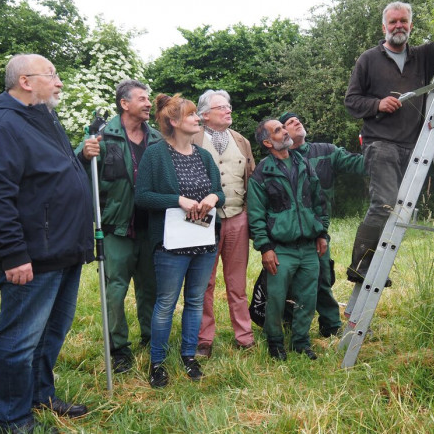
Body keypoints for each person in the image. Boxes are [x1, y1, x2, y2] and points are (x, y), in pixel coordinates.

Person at [0, 54, 93, 433]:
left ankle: (40, 394)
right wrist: (12, 254)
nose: (59, 82)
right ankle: (14, 420)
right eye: (52, 75)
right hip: (32, 257)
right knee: (20, 341)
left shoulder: (42, 118)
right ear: (25, 81)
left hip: (63, 250)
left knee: (50, 334)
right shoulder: (1, 127)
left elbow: (52, 179)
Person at [344, 0, 434, 283]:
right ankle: (360, 265)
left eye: (404, 21)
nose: (399, 26)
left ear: (410, 25)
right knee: (384, 202)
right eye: (393, 21)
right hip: (380, 143)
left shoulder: (421, 57)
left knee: (398, 209)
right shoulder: (369, 59)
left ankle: (375, 265)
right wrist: (377, 104)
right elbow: (351, 101)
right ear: (384, 27)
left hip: (412, 146)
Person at [135, 94, 224, 388]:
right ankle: (157, 362)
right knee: (166, 303)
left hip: (203, 241)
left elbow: (219, 193)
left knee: (195, 300)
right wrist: (177, 200)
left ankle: (189, 356)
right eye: (190, 116)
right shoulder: (155, 154)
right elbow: (143, 197)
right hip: (171, 245)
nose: (197, 119)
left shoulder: (204, 156)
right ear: (173, 122)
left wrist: (213, 197)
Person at [77, 80, 162, 374]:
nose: (149, 103)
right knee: (114, 292)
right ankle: (119, 349)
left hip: (151, 229)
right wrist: (84, 156)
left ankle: (153, 340)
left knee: (150, 289)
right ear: (124, 104)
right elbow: (73, 170)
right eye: (142, 98)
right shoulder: (101, 136)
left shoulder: (156, 139)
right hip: (115, 229)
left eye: (148, 98)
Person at [247, 118, 329, 360]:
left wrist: (322, 232)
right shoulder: (262, 172)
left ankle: (301, 342)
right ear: (267, 142)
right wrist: (265, 248)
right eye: (278, 130)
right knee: (276, 298)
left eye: (283, 128)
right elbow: (256, 214)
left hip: (308, 246)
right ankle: (275, 343)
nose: (284, 132)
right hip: (280, 248)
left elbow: (318, 201)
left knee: (307, 297)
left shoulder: (303, 164)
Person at [279, 112, 365, 337]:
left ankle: (331, 325)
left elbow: (359, 164)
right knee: (288, 279)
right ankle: (288, 322)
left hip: (318, 229)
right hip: (287, 232)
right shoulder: (279, 159)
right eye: (289, 122)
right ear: (281, 133)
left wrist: (377, 151)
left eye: (298, 119)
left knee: (322, 276)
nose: (297, 121)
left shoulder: (326, 151)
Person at [193, 90, 256, 358]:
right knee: (204, 282)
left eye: (229, 106)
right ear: (204, 114)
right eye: (221, 107)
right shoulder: (191, 138)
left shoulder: (241, 141)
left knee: (237, 282)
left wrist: (252, 218)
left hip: (237, 218)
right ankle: (203, 339)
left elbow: (250, 180)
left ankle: (244, 336)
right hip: (201, 222)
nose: (228, 110)